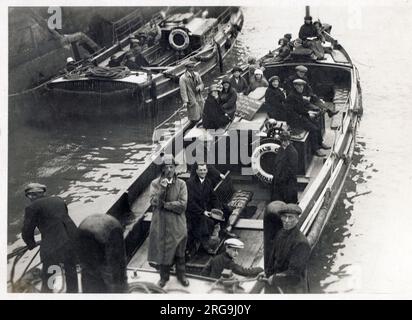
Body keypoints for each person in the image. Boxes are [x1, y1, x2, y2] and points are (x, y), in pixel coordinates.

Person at [22, 183, 78, 293]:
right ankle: (73, 293)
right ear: (43, 193)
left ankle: (47, 294)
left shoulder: (32, 207)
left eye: (29, 196)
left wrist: (31, 244)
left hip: (53, 244)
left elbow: (27, 230)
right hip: (72, 239)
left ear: (31, 195)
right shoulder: (58, 199)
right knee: (71, 270)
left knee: (49, 272)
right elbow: (61, 219)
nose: (30, 198)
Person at [147, 155, 189, 287]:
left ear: (175, 168)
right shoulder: (155, 184)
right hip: (161, 223)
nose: (169, 170)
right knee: (163, 249)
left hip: (177, 222)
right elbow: (154, 202)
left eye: (172, 167)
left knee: (179, 249)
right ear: (162, 169)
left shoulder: (182, 184)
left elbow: (182, 205)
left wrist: (166, 205)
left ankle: (181, 275)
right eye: (166, 167)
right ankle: (163, 277)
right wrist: (162, 189)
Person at [264, 203, 311, 293]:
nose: (286, 220)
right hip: (277, 282)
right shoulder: (280, 233)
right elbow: (273, 258)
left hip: (293, 288)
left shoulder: (301, 243)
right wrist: (266, 273)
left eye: (290, 217)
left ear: (297, 220)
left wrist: (274, 278)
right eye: (284, 216)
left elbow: (294, 274)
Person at [285, 78, 330, 157]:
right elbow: (292, 111)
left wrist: (313, 109)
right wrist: (308, 113)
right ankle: (315, 149)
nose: (301, 88)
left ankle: (320, 143)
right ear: (295, 86)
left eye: (302, 86)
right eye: (299, 86)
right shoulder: (291, 97)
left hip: (302, 116)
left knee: (317, 124)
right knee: (313, 129)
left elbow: (303, 106)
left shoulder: (298, 94)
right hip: (296, 119)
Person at [186, 162, 222, 255]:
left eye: (204, 170)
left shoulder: (208, 182)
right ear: (197, 171)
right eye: (201, 170)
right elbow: (190, 202)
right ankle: (206, 244)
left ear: (207, 171)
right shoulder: (190, 183)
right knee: (205, 221)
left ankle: (213, 236)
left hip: (204, 209)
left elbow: (213, 197)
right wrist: (203, 212)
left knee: (222, 213)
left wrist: (217, 208)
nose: (203, 172)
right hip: (193, 211)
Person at [271, 131, 299, 204]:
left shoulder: (293, 152)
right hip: (279, 175)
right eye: (282, 141)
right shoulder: (281, 149)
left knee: (288, 195)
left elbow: (292, 168)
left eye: (285, 141)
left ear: (288, 140)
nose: (283, 143)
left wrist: (283, 177)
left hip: (287, 178)